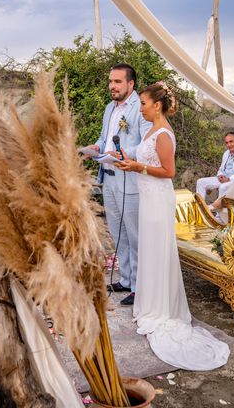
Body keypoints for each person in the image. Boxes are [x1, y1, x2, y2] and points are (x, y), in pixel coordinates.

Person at [115, 82, 230, 370]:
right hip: (148, 198)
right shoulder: (150, 130)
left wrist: (137, 167)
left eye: (143, 103)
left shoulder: (164, 133)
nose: (140, 107)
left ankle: (161, 309)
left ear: (157, 105)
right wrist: (129, 161)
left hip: (158, 199)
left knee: (156, 250)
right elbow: (147, 162)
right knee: (150, 250)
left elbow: (169, 172)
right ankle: (151, 304)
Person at [80, 64, 152, 306]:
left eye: (118, 81)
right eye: (111, 81)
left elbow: (146, 146)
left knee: (134, 234)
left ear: (131, 84)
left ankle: (140, 286)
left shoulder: (139, 109)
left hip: (129, 180)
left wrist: (119, 153)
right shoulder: (109, 108)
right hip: (108, 179)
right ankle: (127, 279)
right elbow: (103, 138)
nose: (112, 86)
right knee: (118, 232)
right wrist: (95, 149)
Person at [194, 132, 234, 200]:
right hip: (223, 179)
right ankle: (200, 208)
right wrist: (220, 175)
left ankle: (219, 209)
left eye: (231, 142)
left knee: (223, 187)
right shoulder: (226, 153)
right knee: (200, 182)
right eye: (227, 143)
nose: (229, 145)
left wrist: (229, 179)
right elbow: (221, 168)